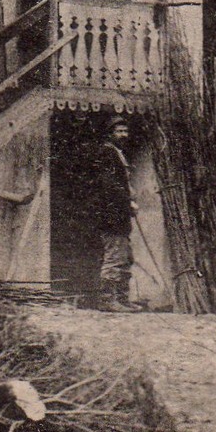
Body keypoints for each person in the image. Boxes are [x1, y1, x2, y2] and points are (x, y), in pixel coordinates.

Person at [85, 116, 139, 312]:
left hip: (120, 215)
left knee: (125, 257)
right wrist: (128, 203)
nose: (124, 135)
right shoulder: (107, 153)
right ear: (110, 134)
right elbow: (111, 187)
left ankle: (123, 299)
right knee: (115, 257)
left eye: (125, 131)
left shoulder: (117, 153)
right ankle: (108, 300)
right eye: (119, 132)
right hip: (112, 215)